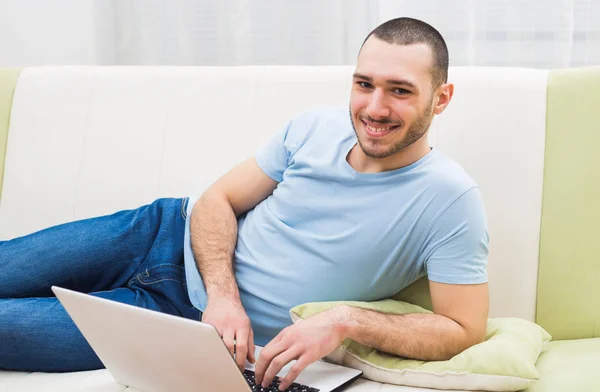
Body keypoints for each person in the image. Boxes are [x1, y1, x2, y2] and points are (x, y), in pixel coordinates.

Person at [0, 17, 489, 391]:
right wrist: (224, 296)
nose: (374, 108)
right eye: (365, 84)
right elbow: (219, 198)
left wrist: (346, 321)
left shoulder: (451, 199)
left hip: (182, 328)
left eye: (400, 91)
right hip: (161, 232)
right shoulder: (314, 127)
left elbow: (463, 327)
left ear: (441, 98)